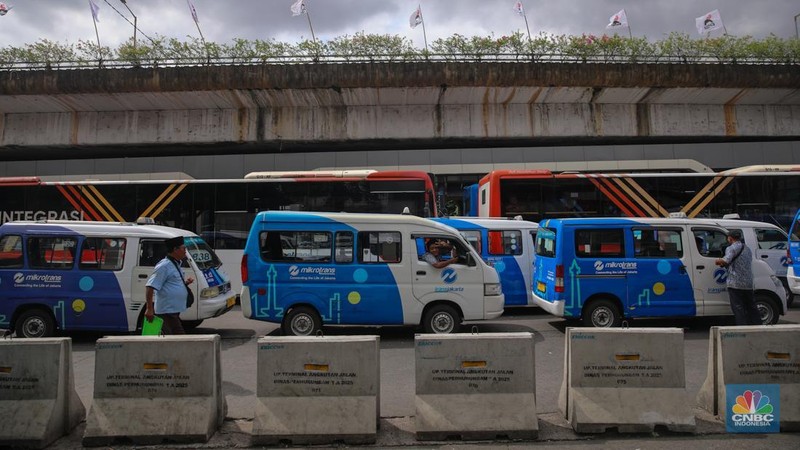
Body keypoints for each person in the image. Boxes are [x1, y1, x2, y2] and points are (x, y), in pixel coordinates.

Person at [145, 236, 194, 335]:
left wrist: (185, 284)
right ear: (175, 250)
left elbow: (171, 283)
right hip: (166, 312)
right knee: (179, 339)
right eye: (183, 248)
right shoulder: (164, 265)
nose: (185, 251)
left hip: (173, 311)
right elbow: (150, 286)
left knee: (172, 340)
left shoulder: (176, 264)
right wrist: (149, 309)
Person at [715, 229, 760, 325]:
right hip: (748, 283)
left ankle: (742, 327)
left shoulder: (731, 248)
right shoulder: (747, 248)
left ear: (730, 238)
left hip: (735, 283)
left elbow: (726, 261)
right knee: (751, 306)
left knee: (738, 308)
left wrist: (718, 261)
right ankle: (758, 326)